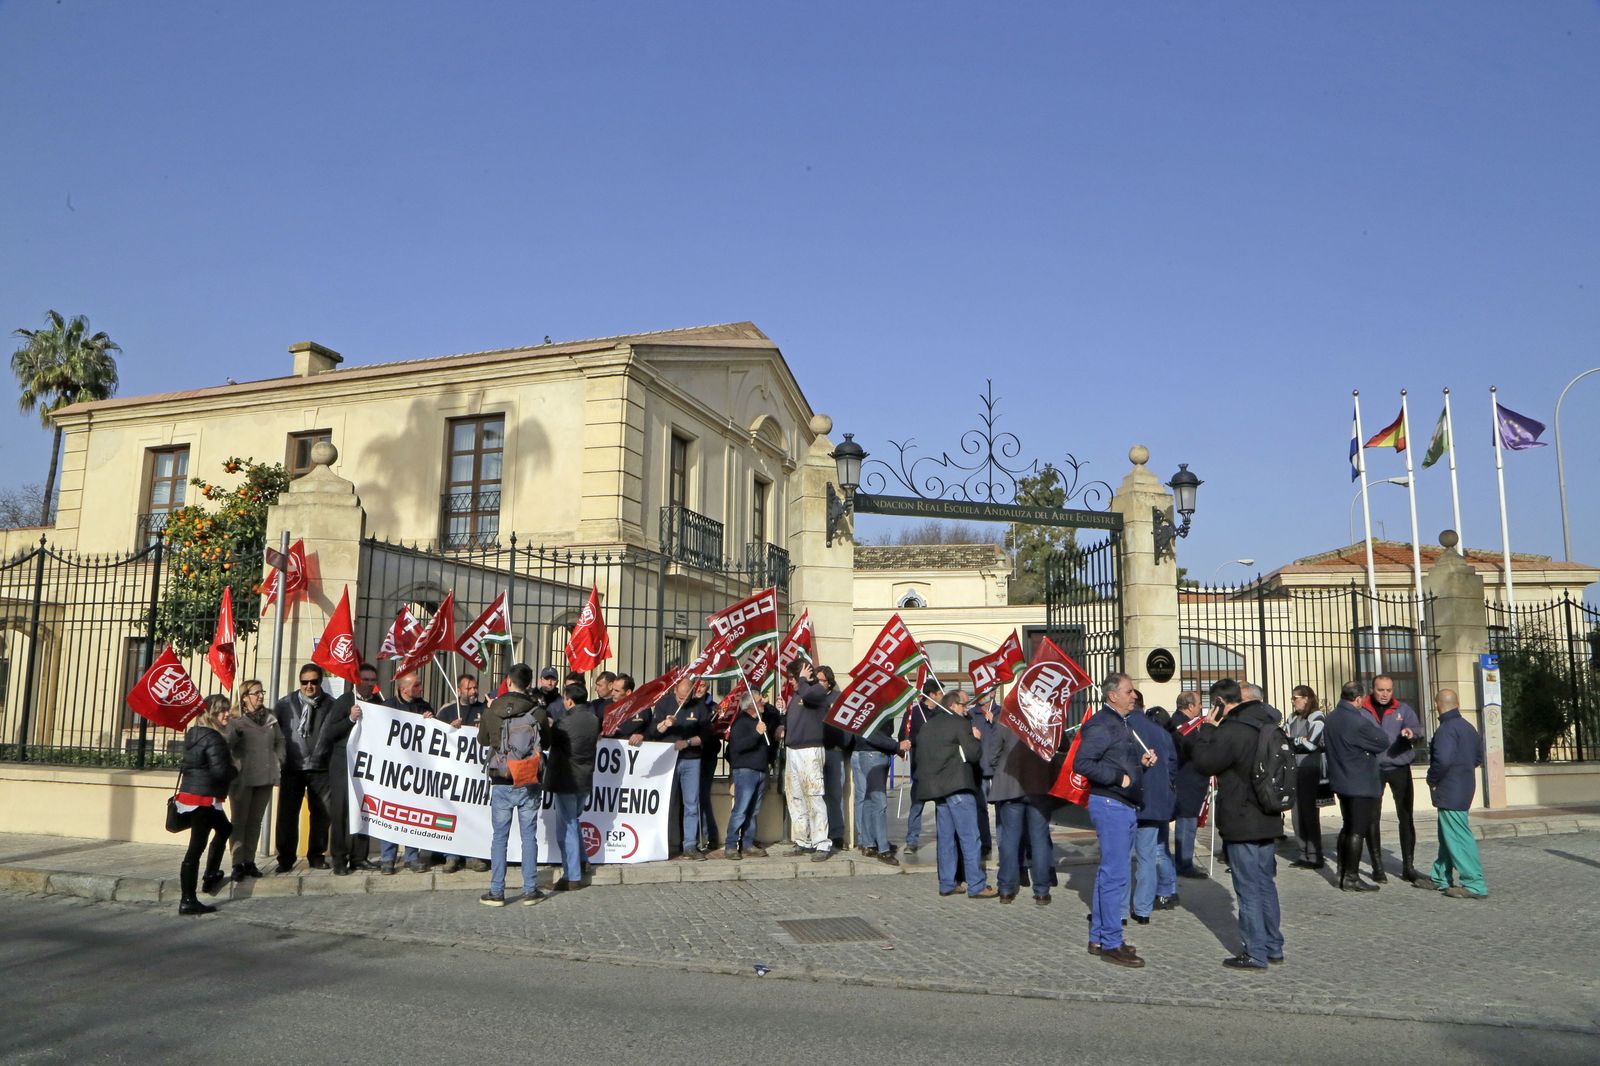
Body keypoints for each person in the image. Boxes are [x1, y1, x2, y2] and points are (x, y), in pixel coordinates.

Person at [1180, 680, 1285, 971]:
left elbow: (1204, 763)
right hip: (1268, 815)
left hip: (1242, 819)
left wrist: (1208, 730)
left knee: (1248, 888)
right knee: (1266, 884)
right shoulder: (1267, 724)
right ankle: (1273, 945)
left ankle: (1255, 952)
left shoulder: (1233, 730)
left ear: (1220, 704)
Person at [1076, 672, 1156, 967]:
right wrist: (1118, 778)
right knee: (1116, 875)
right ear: (1113, 696)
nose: (1134, 695)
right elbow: (1083, 763)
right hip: (1111, 805)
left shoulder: (1121, 723)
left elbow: (1118, 761)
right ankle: (1111, 941)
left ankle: (1099, 937)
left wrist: (1140, 767)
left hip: (1123, 804)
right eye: (1129, 691)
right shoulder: (1101, 724)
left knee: (1110, 873)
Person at [913, 690, 996, 899]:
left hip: (937, 789)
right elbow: (973, 754)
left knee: (946, 838)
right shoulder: (960, 724)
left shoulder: (927, 726)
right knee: (970, 837)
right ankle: (977, 885)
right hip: (958, 786)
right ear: (952, 705)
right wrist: (976, 738)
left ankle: (947, 883)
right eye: (963, 705)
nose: (966, 709)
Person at [478, 663, 549, 906]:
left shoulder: (492, 709)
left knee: (500, 837)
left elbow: (482, 739)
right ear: (529, 684)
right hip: (528, 778)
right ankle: (530, 890)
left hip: (501, 777)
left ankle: (497, 891)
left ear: (508, 680)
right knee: (529, 836)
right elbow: (547, 742)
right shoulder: (537, 711)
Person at [311, 663, 384, 876]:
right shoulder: (345, 701)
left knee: (365, 809)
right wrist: (350, 718)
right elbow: (330, 733)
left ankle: (359, 857)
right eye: (365, 680)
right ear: (356, 681)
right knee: (341, 810)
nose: (369, 684)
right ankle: (339, 858)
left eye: (372, 680)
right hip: (342, 763)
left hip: (367, 766)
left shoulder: (378, 703)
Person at [1419, 688, 1488, 899]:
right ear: (1457, 704)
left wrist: (1431, 779)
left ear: (1437, 705)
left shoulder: (1445, 730)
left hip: (1450, 790)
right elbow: (1478, 758)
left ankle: (1474, 883)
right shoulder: (1468, 728)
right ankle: (1440, 876)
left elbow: (1443, 760)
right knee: (1447, 835)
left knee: (1458, 837)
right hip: (1464, 787)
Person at [1323, 680, 1389, 892]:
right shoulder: (1357, 721)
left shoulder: (1331, 718)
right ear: (1358, 699)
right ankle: (1351, 877)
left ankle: (1342, 872)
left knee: (1347, 826)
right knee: (1357, 830)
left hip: (1341, 780)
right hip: (1359, 782)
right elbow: (1382, 741)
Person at [175, 696, 237, 915]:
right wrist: (235, 769)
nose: (227, 714)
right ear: (211, 714)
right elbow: (221, 771)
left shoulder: (194, 733)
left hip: (192, 794)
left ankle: (211, 873)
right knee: (196, 848)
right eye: (222, 711)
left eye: (228, 710)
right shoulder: (214, 738)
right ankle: (188, 899)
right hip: (204, 798)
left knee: (225, 829)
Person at [984, 715, 1055, 904]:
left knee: (1010, 838)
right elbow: (1061, 746)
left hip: (1010, 784)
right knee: (1039, 839)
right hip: (1038, 784)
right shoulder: (1045, 717)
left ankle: (1006, 889)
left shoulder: (1006, 717)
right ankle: (1042, 891)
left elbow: (992, 755)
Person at [1362, 674, 1424, 882]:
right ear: (1373, 689)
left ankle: (1408, 866)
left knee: (1406, 817)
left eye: (1389, 690)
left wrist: (1410, 733)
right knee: (1372, 818)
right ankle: (1377, 867)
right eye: (1381, 690)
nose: (1385, 694)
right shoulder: (1363, 710)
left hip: (1399, 766)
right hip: (1372, 769)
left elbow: (1418, 730)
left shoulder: (1403, 709)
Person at [273, 664, 334, 872]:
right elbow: (274, 734)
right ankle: (285, 858)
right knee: (287, 815)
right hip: (292, 767)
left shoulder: (331, 705)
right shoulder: (284, 705)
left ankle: (316, 855)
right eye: (305, 682)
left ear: (321, 682)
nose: (309, 686)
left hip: (320, 768)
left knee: (322, 814)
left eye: (314, 682)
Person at [223, 679, 283, 882]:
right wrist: (233, 731)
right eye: (256, 693)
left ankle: (249, 861)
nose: (260, 696)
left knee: (255, 822)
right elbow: (226, 743)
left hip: (265, 777)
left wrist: (280, 759)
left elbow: (280, 740)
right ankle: (237, 863)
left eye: (261, 692)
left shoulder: (269, 717)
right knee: (239, 821)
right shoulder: (235, 719)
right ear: (244, 697)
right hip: (243, 778)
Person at [379, 673, 435, 874]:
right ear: (404, 688)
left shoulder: (424, 706)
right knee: (390, 813)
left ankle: (412, 856)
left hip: (415, 771)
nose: (420, 688)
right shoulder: (388, 706)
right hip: (392, 771)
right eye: (416, 685)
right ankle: (388, 858)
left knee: (413, 813)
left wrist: (430, 720)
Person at [545, 682, 599, 891]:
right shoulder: (594, 719)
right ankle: (583, 860)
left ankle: (572, 876)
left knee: (566, 828)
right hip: (585, 779)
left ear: (569, 700)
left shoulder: (564, 722)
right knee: (574, 822)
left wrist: (549, 725)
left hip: (567, 778)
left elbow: (550, 742)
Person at [1128, 705, 1179, 922]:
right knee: (1151, 855)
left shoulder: (1125, 727)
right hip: (1158, 801)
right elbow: (1173, 766)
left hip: (1131, 799)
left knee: (1125, 857)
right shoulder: (1162, 733)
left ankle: (1123, 909)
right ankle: (1143, 909)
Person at [435, 673, 488, 872]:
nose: (474, 691)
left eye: (475, 687)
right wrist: (450, 729)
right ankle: (451, 856)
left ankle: (473, 855)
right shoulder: (448, 710)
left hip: (475, 776)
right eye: (469, 688)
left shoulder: (484, 709)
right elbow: (435, 736)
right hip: (453, 774)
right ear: (459, 691)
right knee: (452, 814)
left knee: (473, 815)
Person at [782, 661, 834, 860]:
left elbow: (811, 695)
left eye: (793, 679)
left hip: (810, 751)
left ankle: (822, 843)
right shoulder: (797, 695)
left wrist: (804, 679)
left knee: (813, 795)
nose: (791, 683)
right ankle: (804, 840)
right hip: (793, 750)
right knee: (795, 796)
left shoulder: (816, 691)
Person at [654, 675, 710, 859]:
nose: (682, 701)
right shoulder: (664, 703)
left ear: (692, 692)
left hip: (691, 759)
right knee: (667, 804)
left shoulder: (699, 706)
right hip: (668, 759)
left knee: (691, 804)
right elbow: (652, 732)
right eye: (679, 698)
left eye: (685, 698)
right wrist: (665, 724)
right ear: (675, 690)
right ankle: (664, 844)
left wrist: (687, 742)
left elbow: (706, 736)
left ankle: (690, 845)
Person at [724, 691, 774, 860]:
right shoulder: (741, 722)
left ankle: (748, 843)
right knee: (741, 810)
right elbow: (739, 746)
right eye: (760, 701)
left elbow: (774, 714)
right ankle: (731, 844)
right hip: (746, 771)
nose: (764, 703)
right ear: (751, 705)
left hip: (760, 771)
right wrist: (756, 733)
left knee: (753, 811)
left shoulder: (759, 720)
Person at [1168, 691, 1209, 879]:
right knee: (1186, 824)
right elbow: (1196, 750)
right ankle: (1184, 864)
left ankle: (1183, 862)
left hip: (1184, 781)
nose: (1201, 707)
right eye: (1199, 703)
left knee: (1185, 823)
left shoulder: (1175, 720)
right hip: (1187, 781)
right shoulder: (1185, 726)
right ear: (1190, 706)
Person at [851, 706, 900, 865]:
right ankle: (883, 849)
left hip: (874, 753)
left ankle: (869, 843)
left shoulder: (878, 706)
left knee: (869, 799)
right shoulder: (872, 706)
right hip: (872, 753)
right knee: (879, 801)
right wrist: (897, 746)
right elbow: (871, 735)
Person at [1287, 685, 1328, 869]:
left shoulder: (1317, 717)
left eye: (1296, 698)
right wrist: (1298, 740)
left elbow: (1311, 745)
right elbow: (1285, 739)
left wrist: (1295, 741)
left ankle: (1315, 855)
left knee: (1309, 814)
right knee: (1296, 815)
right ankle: (1303, 853)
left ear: (1306, 698)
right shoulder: (1292, 718)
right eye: (1293, 698)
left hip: (1310, 769)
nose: (1294, 701)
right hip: (1294, 769)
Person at [898, 682, 941, 856]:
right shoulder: (913, 712)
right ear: (931, 694)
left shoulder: (941, 712)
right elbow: (904, 735)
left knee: (942, 806)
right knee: (917, 805)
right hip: (920, 767)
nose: (942, 696)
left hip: (940, 768)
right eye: (939, 693)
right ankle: (912, 840)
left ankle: (944, 839)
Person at [818, 666, 849, 851]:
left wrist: (843, 744)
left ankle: (837, 834)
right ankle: (819, 833)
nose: (818, 683)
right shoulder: (813, 698)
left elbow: (846, 725)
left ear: (828, 682)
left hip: (834, 752)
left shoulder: (837, 699)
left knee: (835, 795)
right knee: (816, 795)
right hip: (815, 751)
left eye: (820, 680)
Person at [606, 674, 651, 742]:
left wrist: (642, 736)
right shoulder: (606, 706)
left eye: (617, 691)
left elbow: (651, 730)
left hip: (634, 749)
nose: (612, 693)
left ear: (628, 692)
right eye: (612, 690)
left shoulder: (642, 707)